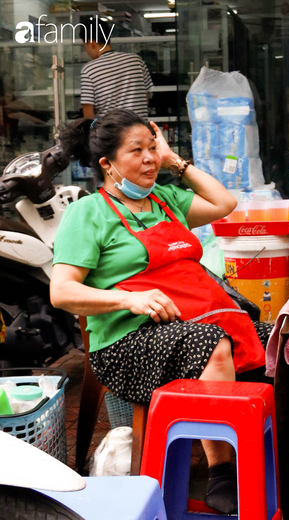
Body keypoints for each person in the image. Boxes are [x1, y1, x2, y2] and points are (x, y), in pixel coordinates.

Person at [50, 109, 271, 514]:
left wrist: (176, 162)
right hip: (126, 344)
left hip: (187, 319)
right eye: (138, 151)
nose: (150, 158)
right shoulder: (89, 213)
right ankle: (223, 471)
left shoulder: (165, 200)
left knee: (277, 339)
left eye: (153, 148)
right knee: (213, 344)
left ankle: (271, 455)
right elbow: (61, 292)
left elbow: (225, 202)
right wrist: (127, 299)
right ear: (107, 164)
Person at [80, 19, 153, 119]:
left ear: (91, 43)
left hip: (111, 133)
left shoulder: (89, 70)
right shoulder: (137, 61)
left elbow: (88, 115)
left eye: (85, 47)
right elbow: (146, 98)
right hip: (140, 130)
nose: (87, 52)